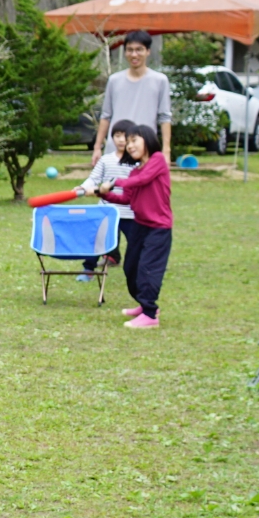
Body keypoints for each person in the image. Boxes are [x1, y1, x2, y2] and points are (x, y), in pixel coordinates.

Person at [80, 123, 170, 328]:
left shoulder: (157, 160)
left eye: (134, 140)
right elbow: (126, 199)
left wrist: (113, 183)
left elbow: (143, 180)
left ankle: (150, 315)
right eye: (127, 142)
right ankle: (145, 305)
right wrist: (101, 193)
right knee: (131, 268)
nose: (129, 145)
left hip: (158, 227)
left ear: (147, 139)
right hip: (139, 225)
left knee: (148, 269)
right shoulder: (135, 172)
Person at [93, 31, 172, 165]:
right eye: (130, 50)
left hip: (145, 150)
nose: (134, 54)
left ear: (148, 51)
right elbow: (106, 116)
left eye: (139, 50)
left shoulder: (160, 80)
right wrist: (97, 147)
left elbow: (165, 117)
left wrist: (166, 150)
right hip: (115, 150)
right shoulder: (114, 80)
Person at [77, 119, 139, 280]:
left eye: (125, 136)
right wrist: (83, 188)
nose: (121, 140)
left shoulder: (138, 162)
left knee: (137, 244)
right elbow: (94, 178)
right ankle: (88, 270)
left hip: (130, 213)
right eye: (117, 136)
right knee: (97, 240)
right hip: (106, 210)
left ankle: (142, 271)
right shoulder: (106, 159)